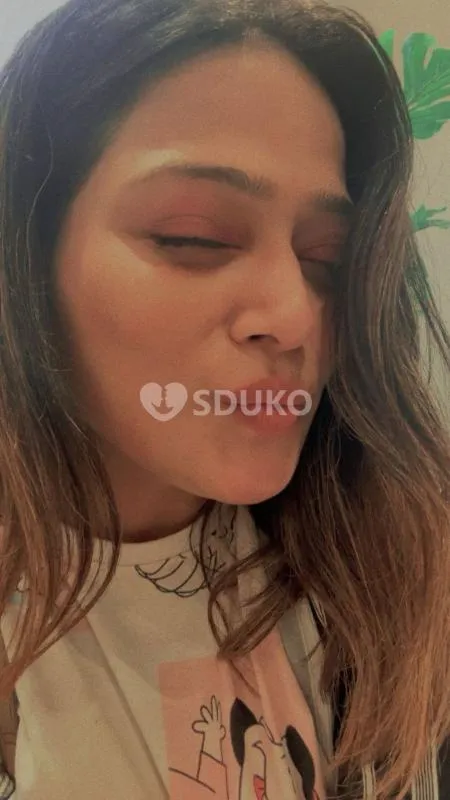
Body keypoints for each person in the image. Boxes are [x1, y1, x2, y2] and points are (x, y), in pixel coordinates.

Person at [0, 0, 448, 797]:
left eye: (326, 258)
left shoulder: (390, 556)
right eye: (194, 237)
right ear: (27, 257)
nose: (295, 315)